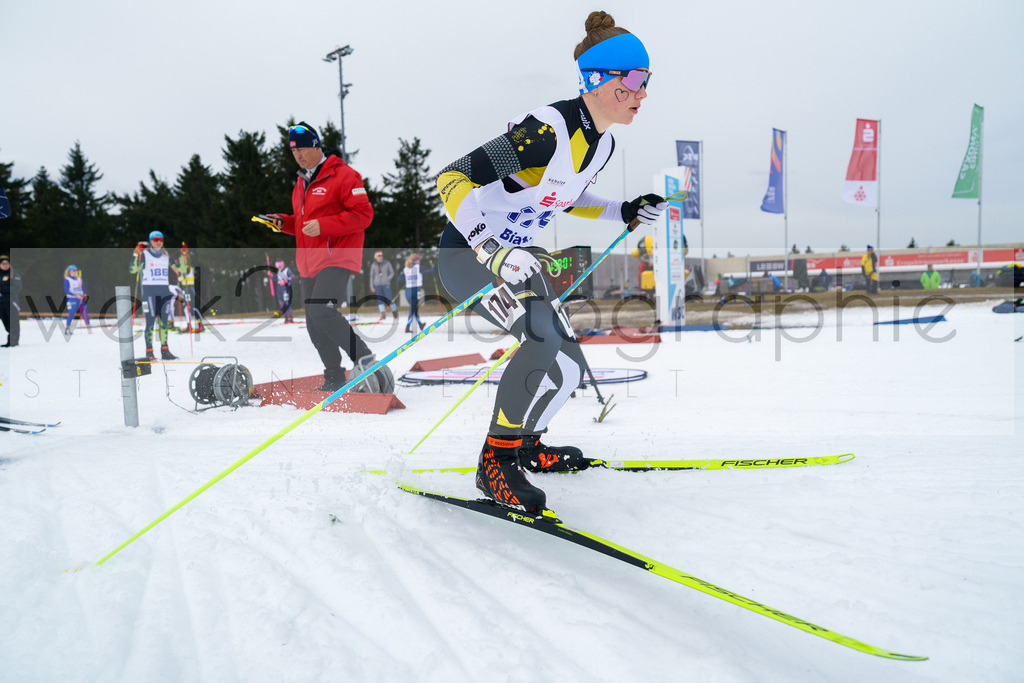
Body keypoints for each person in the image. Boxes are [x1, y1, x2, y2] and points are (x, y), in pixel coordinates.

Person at [433, 11, 666, 513]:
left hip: (517, 261)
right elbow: (452, 179)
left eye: (647, 80)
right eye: (636, 80)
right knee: (540, 336)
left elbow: (565, 198)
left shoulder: (601, 145)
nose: (644, 92)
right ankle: (495, 461)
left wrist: (622, 210)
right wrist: (491, 249)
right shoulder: (547, 129)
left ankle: (528, 445)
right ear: (599, 80)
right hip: (469, 256)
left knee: (566, 363)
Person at [262, 122, 393, 394]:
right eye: (293, 151)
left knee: (322, 310)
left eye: (302, 149)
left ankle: (365, 360)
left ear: (317, 147)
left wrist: (325, 225)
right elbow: (301, 222)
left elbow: (363, 216)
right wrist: (283, 223)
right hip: (310, 263)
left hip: (338, 257)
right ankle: (333, 376)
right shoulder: (301, 182)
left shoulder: (345, 175)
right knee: (313, 321)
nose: (298, 155)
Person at [130, 231, 178, 360]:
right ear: (151, 241)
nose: (158, 242)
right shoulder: (144, 255)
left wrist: (184, 257)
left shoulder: (167, 255)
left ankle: (165, 350)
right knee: (150, 322)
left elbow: (180, 269)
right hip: (149, 291)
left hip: (164, 291)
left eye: (160, 240)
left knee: (164, 322)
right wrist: (136, 254)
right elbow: (133, 270)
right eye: (155, 239)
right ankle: (149, 352)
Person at [171, 243, 199, 331]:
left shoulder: (187, 268)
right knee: (187, 308)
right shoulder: (185, 268)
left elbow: (183, 275)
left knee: (189, 308)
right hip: (186, 289)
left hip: (188, 288)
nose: (179, 260)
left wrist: (180, 277)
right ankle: (190, 324)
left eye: (180, 259)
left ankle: (193, 324)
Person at [403, 253, 429, 333]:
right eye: (418, 259)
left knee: (413, 308)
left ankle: (420, 324)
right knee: (413, 309)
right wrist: (432, 266)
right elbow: (430, 271)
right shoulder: (419, 267)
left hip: (407, 291)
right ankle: (407, 327)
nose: (419, 261)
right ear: (416, 260)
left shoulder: (406, 268)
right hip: (416, 291)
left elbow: (399, 278)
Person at [62, 265, 91, 336]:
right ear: (69, 272)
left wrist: (84, 294)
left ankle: (89, 328)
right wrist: (74, 294)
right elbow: (66, 290)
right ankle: (68, 328)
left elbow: (82, 288)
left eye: (76, 270)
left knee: (84, 313)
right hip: (71, 298)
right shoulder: (67, 279)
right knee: (72, 314)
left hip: (80, 298)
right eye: (73, 270)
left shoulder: (79, 279)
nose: (75, 272)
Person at [369, 250, 397, 321]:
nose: (380, 257)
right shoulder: (373, 265)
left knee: (389, 298)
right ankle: (382, 313)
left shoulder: (387, 263)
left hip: (386, 283)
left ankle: (394, 312)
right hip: (377, 284)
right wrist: (371, 286)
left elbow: (392, 272)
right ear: (375, 257)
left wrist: (388, 279)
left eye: (381, 256)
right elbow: (371, 276)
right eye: (378, 256)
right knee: (380, 299)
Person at [0, 254, 21, 347]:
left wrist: (3, 289)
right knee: (5, 322)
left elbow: (17, 288)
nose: (5, 265)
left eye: (7, 263)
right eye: (3, 263)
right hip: (1, 303)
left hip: (12, 302)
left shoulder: (14, 274)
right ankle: (10, 339)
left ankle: (14, 341)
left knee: (13, 321)